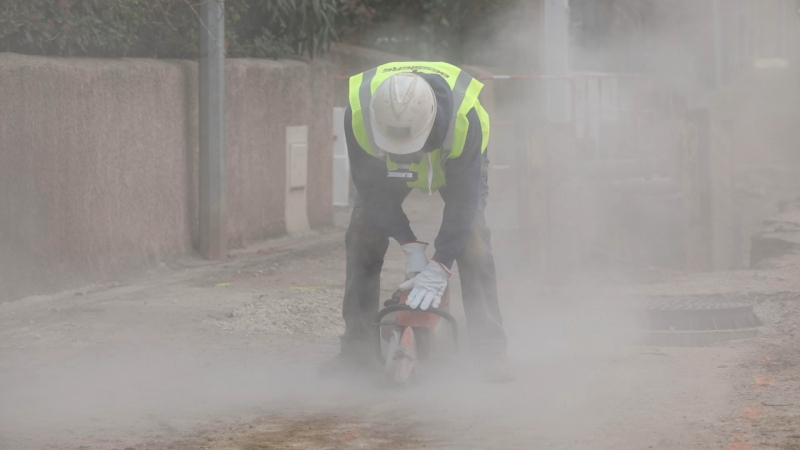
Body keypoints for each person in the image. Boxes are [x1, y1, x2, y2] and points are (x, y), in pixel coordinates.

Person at [322, 62, 512, 383]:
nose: (405, 157)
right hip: (381, 168)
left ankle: (490, 349)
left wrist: (439, 266)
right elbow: (371, 191)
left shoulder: (466, 118)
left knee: (473, 237)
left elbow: (463, 204)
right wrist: (409, 244)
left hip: (454, 161)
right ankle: (356, 351)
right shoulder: (358, 113)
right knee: (362, 232)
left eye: (409, 150)